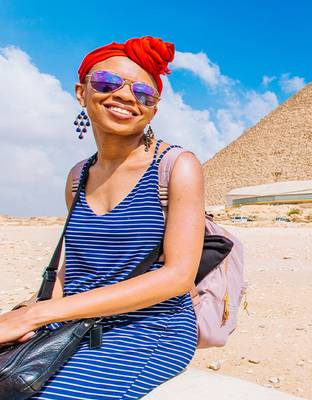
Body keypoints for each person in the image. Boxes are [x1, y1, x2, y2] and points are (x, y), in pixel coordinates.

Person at [0, 36, 205, 399]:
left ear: (153, 110)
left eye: (144, 93)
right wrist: (29, 313)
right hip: (71, 319)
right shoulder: (78, 176)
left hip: (147, 325)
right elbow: (67, 270)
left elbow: (177, 276)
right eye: (108, 83)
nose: (127, 96)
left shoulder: (176, 166)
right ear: (81, 92)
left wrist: (34, 318)